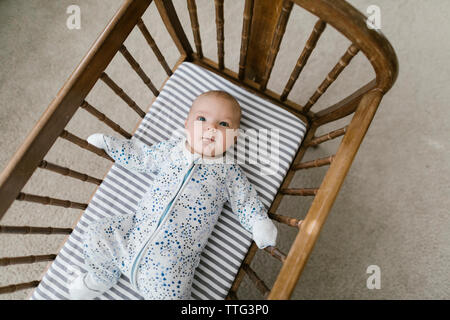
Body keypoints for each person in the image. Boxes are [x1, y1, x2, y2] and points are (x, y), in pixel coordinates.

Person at [67, 90, 277, 299]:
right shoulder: (171, 150)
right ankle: (101, 278)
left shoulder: (228, 171)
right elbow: (142, 157)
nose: (211, 127)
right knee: (96, 233)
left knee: (173, 295)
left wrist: (259, 222)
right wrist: (110, 145)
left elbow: (244, 200)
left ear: (234, 137)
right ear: (187, 125)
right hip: (131, 234)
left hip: (171, 263)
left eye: (223, 124)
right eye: (202, 118)